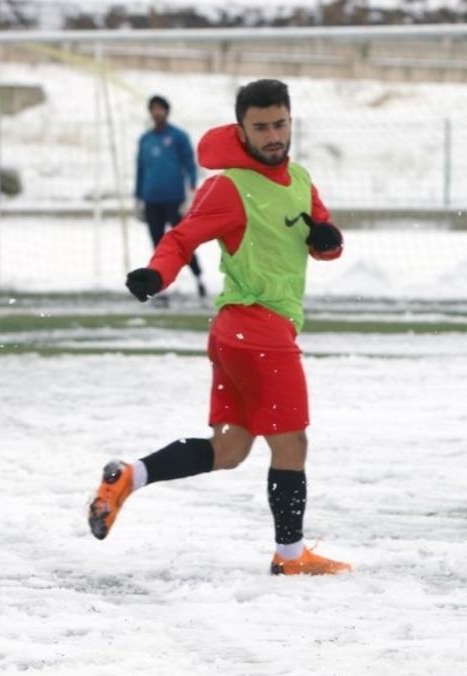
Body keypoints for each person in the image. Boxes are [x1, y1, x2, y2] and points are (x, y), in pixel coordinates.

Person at [89, 79, 350, 576]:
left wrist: (328, 240)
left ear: (290, 121)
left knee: (230, 449)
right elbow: (182, 238)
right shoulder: (229, 186)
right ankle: (290, 557)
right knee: (292, 444)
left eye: (279, 124)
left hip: (237, 335)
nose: (272, 135)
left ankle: (129, 475)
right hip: (259, 330)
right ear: (241, 130)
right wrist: (158, 275)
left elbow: (324, 242)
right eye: (261, 127)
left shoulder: (299, 178)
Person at [135, 95, 206, 298]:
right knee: (158, 246)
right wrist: (138, 197)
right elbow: (140, 168)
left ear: (166, 111)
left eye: (160, 108)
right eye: (153, 109)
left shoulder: (178, 136)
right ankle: (158, 287)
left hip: (175, 200)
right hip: (151, 200)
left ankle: (199, 277)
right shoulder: (145, 139)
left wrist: (191, 191)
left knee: (183, 243)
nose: (157, 112)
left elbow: (190, 164)